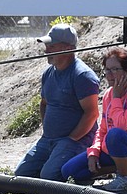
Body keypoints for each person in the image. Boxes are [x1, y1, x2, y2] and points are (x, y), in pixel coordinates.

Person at [61, 47, 127, 191]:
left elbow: (121, 125)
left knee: (115, 134)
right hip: (113, 150)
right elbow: (103, 128)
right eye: (107, 70)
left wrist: (117, 98)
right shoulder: (109, 94)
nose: (109, 75)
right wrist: (94, 151)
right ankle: (118, 169)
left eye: (115, 69)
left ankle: (125, 179)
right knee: (69, 172)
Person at [14, 24, 100, 181]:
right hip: (48, 139)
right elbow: (44, 103)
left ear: (67, 48)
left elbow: (92, 113)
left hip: (74, 140)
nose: (46, 50)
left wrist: (72, 139)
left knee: (50, 176)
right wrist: (47, 130)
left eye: (51, 46)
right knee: (21, 174)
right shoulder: (49, 73)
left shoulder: (82, 76)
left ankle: (95, 166)